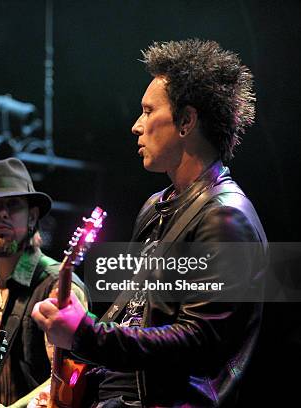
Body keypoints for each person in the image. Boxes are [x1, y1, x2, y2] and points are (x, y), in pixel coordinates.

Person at [32, 39, 268, 407]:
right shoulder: (156, 206)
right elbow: (134, 321)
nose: (136, 126)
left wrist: (86, 333)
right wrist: (75, 375)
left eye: (147, 110)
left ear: (186, 121)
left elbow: (199, 340)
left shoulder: (225, 216)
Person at [0, 158, 88, 408]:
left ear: (32, 216)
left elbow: (70, 379)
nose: (2, 212)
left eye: (13, 204)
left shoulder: (56, 285)